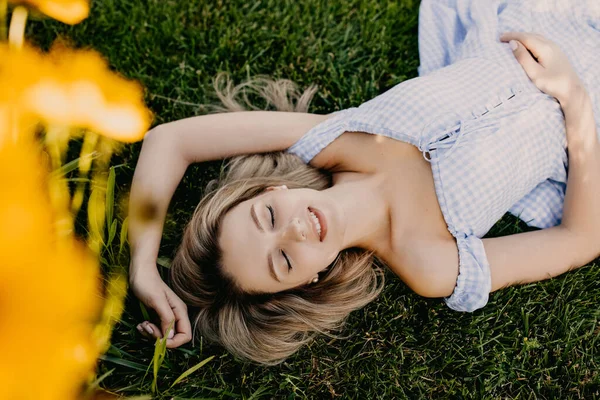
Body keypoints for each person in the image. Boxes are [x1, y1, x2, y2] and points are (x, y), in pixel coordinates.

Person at [128, 0, 600, 365]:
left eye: (268, 217)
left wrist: (144, 267)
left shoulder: (335, 138)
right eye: (283, 260)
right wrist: (574, 99)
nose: (293, 231)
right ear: (310, 280)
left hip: (546, 15)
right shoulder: (429, 264)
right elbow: (579, 239)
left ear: (274, 191)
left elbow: (170, 141)